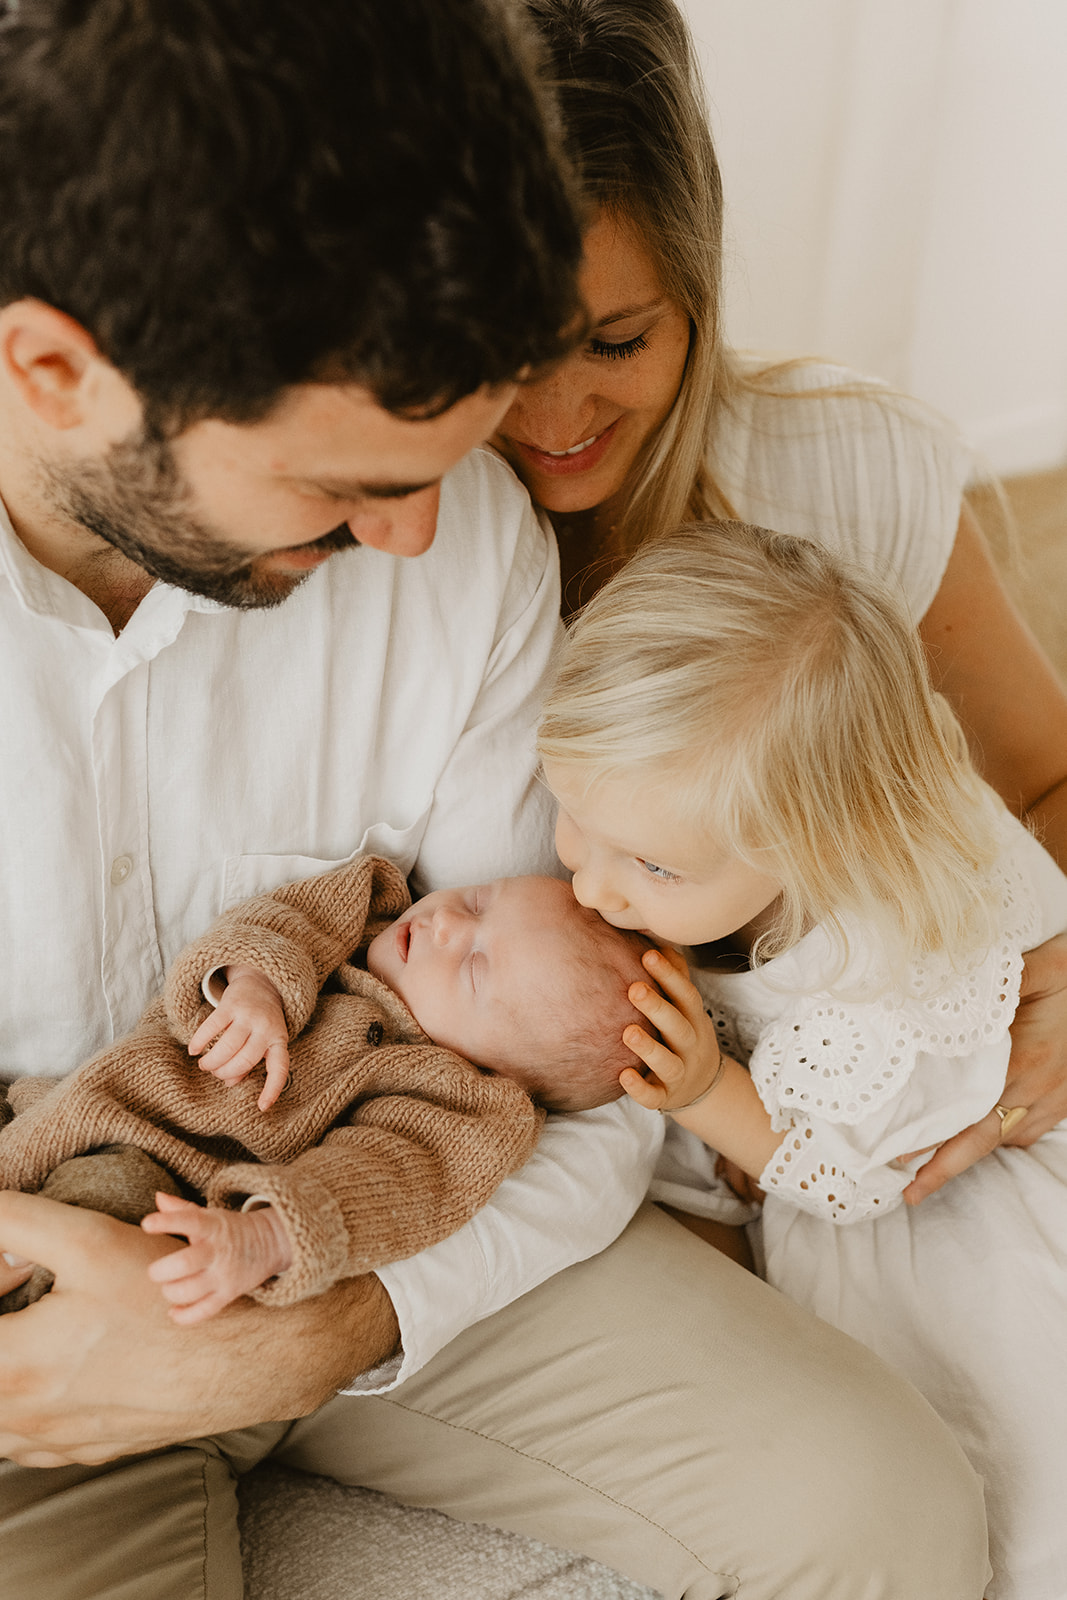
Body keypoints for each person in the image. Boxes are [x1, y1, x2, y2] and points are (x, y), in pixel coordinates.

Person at [0, 3, 992, 1599]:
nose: (419, 542)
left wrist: (296, 1334)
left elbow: (579, 1065)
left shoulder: (459, 540)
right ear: (57, 369)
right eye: (344, 491)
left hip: (379, 1211)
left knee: (882, 1507)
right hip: (34, 1257)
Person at [502, 0, 1067, 1199]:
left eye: (615, 342)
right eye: (501, 355)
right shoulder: (343, 528)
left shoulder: (844, 469)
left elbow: (1044, 781)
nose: (555, 422)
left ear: (696, 290)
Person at [539, 519, 1067, 1600]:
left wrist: (713, 1095)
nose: (593, 887)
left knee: (1003, 1439)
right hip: (844, 1173)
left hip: (948, 1206)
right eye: (571, 819)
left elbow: (860, 1179)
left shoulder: (890, 948)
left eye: (649, 865)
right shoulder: (722, 848)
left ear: (816, 842)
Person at [0, 857, 649, 1322]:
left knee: (98, 1222)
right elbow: (284, 918)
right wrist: (254, 981)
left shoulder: (458, 1103)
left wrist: (270, 1237)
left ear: (508, 1066)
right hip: (68, 1100)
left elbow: (392, 1183)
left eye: (474, 968)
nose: (447, 923)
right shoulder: (367, 912)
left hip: (156, 1175)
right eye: (479, 900)